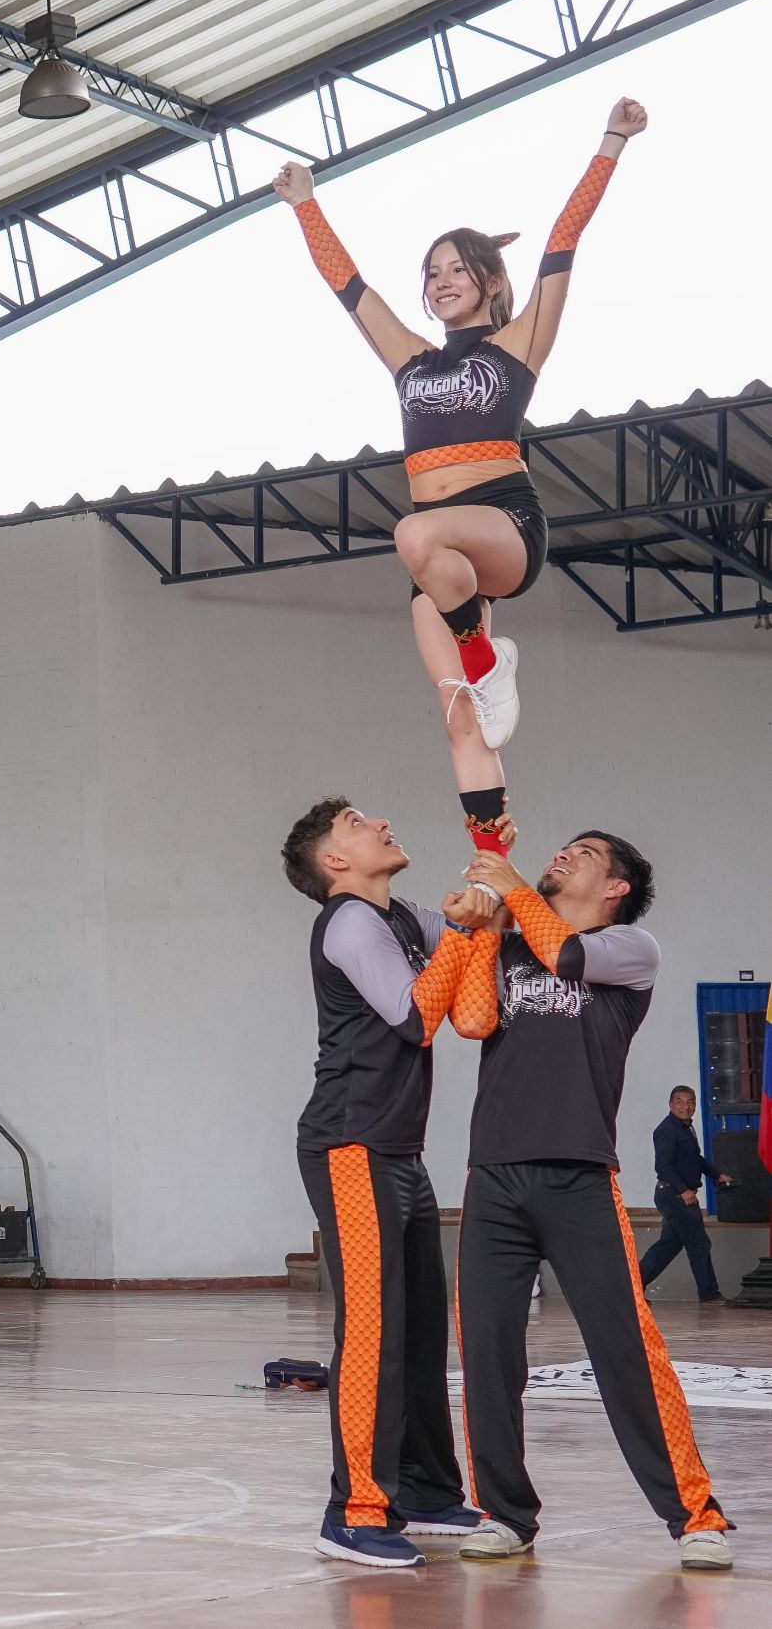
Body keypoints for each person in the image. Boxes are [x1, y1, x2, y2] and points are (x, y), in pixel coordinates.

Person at [273, 100, 645, 845]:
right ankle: (492, 860)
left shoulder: (519, 344)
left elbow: (563, 243)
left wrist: (611, 141)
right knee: (462, 723)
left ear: (489, 279)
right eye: (432, 271)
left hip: (503, 525)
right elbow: (347, 285)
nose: (442, 281)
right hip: (442, 570)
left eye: (458, 269)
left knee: (413, 533)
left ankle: (485, 655)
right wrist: (306, 203)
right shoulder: (408, 355)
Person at [449, 832, 732, 1570]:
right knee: (486, 1350)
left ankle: (694, 1513)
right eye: (563, 846)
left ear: (616, 885)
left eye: (584, 851)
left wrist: (508, 885)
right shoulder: (513, 939)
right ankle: (505, 1512)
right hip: (495, 1175)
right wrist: (481, 928)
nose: (563, 854)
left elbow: (567, 956)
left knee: (626, 1349)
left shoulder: (631, 949)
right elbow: (474, 1020)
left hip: (580, 1177)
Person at [277, 797, 491, 1568]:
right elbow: (413, 1012)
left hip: (398, 1150)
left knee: (421, 1324)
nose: (382, 823)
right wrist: (468, 929)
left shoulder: (399, 915)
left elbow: (470, 960)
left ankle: (426, 1489)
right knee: (372, 1329)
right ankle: (355, 1509)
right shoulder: (348, 922)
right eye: (358, 822)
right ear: (335, 859)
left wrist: (489, 902)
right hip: (349, 1144)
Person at [640, 1085, 734, 1304]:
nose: (686, 1106)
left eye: (690, 1101)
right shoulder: (666, 1130)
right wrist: (683, 1191)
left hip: (679, 1195)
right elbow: (663, 1166)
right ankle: (709, 1294)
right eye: (680, 1102)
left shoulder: (685, 1129)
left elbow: (696, 1159)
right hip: (674, 1195)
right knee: (699, 1244)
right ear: (671, 1105)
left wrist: (717, 1174)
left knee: (668, 1245)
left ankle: (631, 1289)